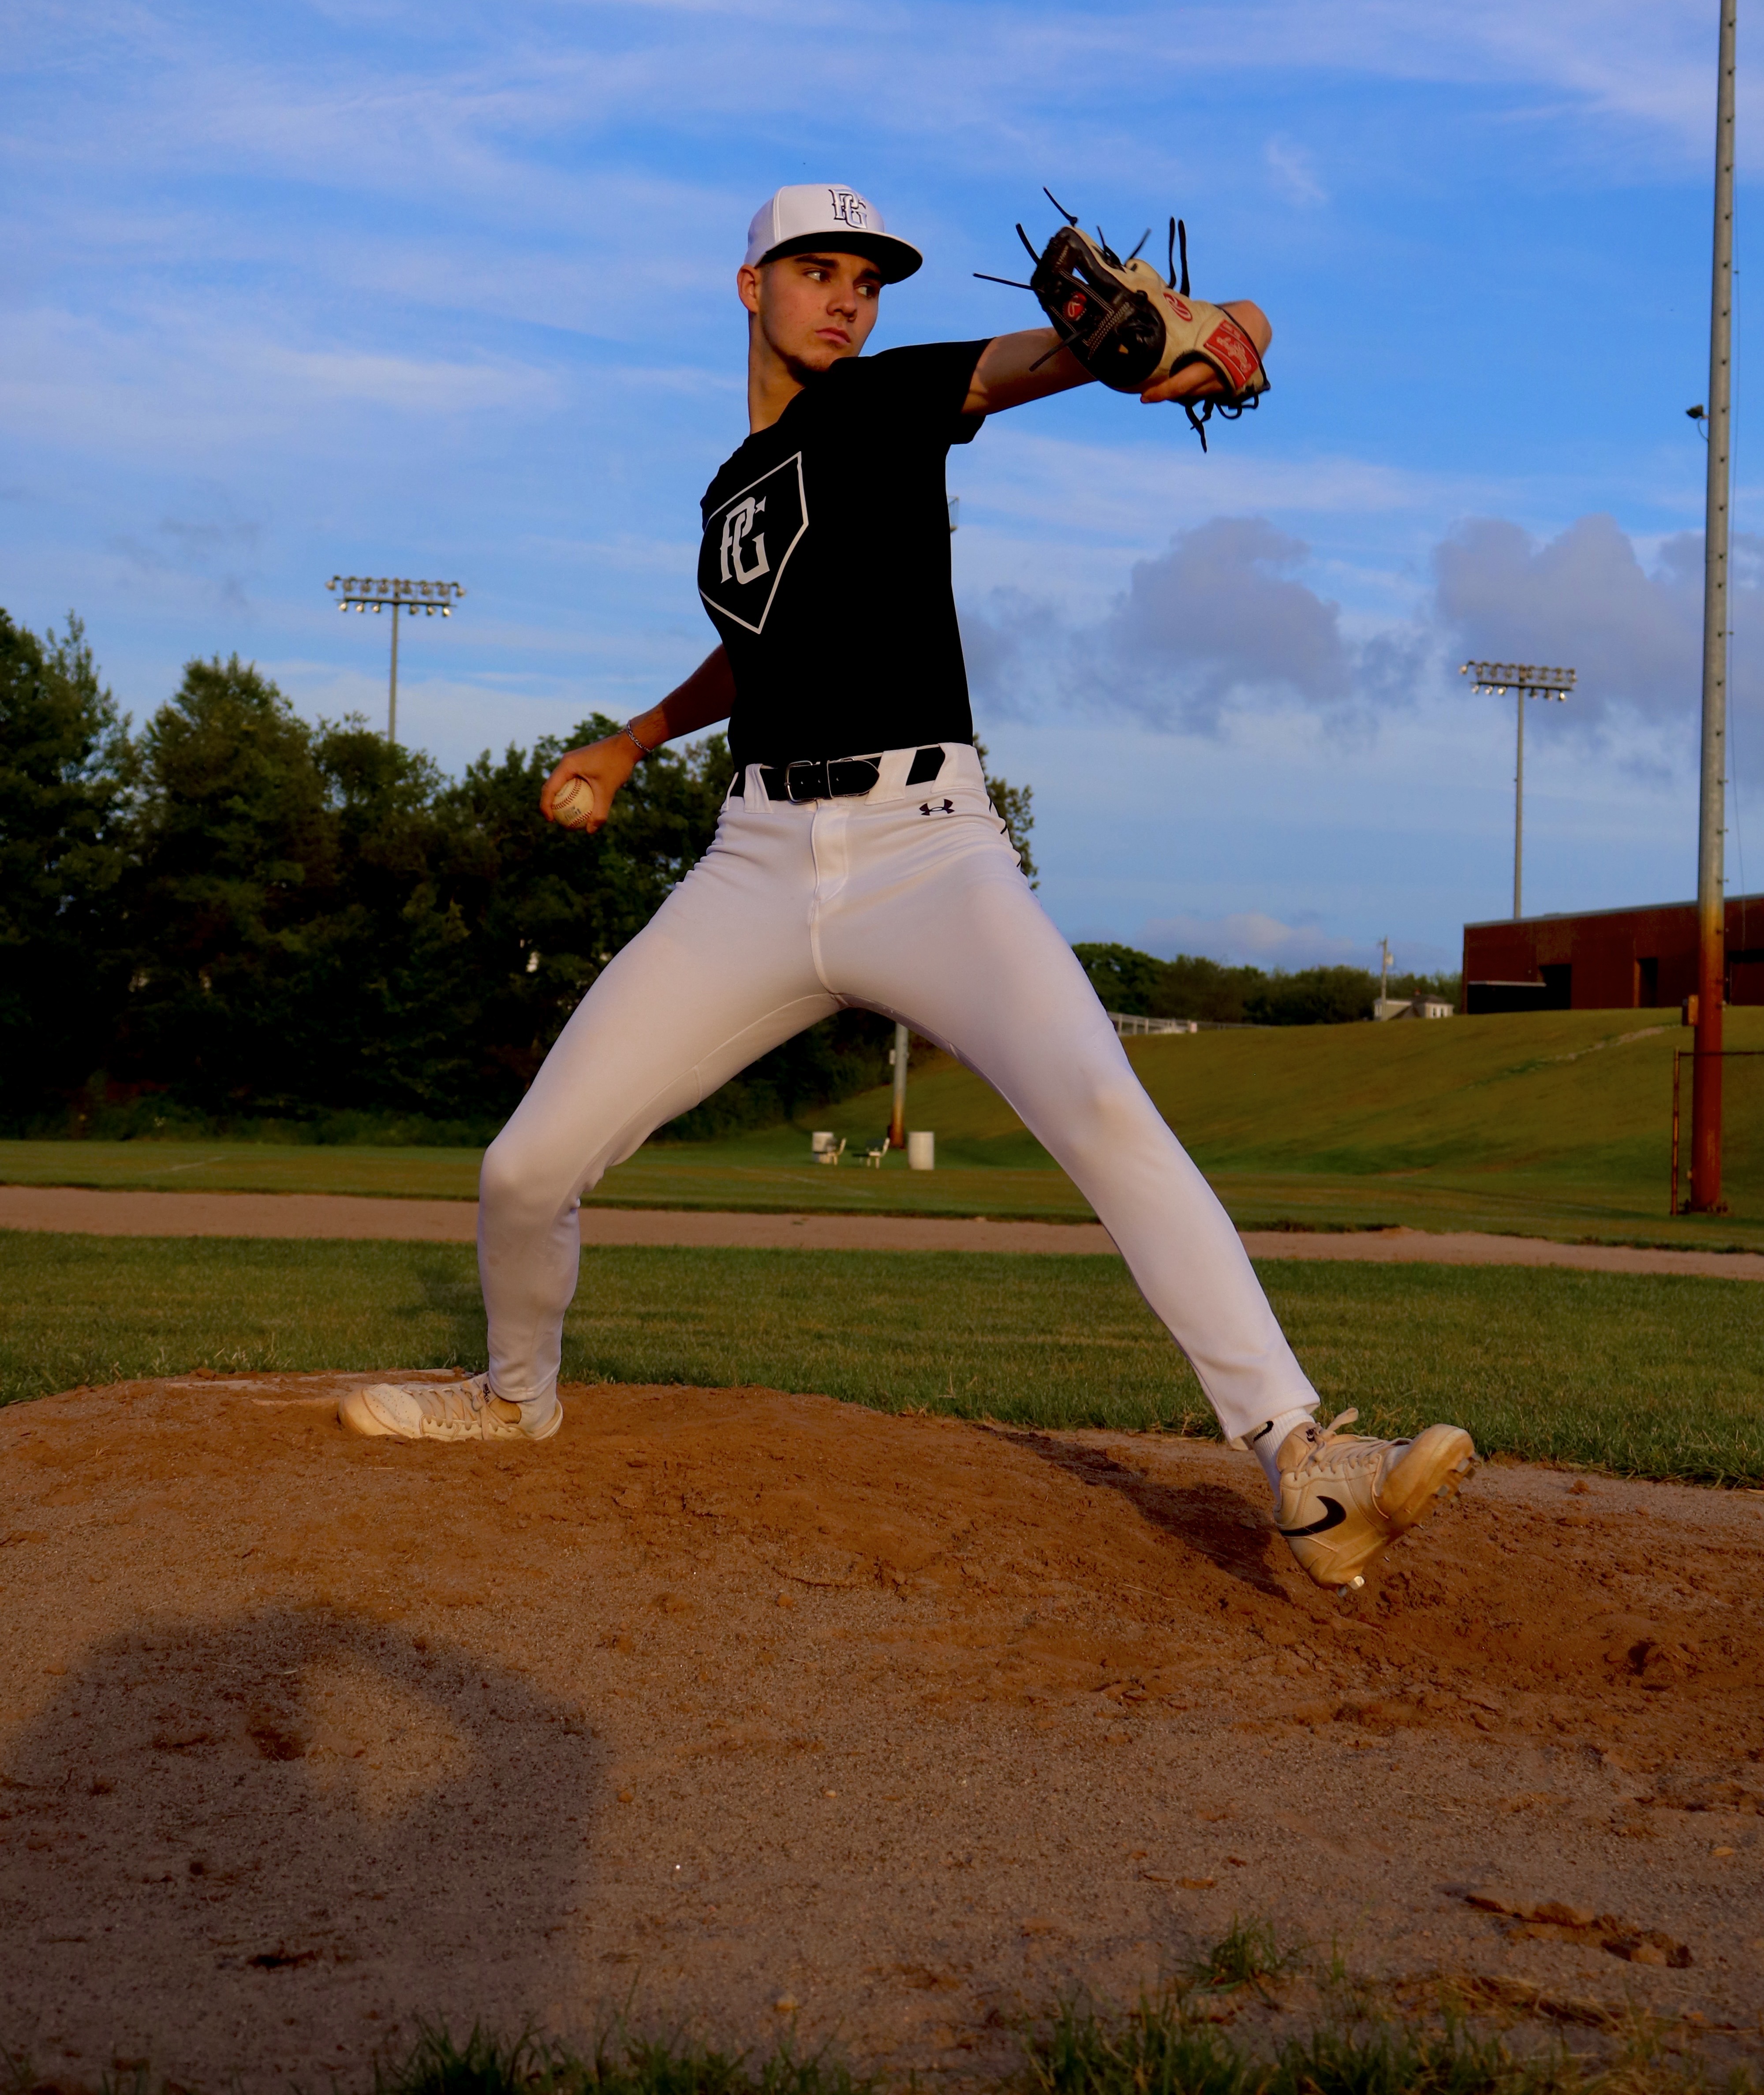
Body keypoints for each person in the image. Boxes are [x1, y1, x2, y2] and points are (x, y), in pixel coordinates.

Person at [342, 184, 1473, 1594]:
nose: (845, 298)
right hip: (756, 861)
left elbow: (1055, 359)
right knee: (524, 1167)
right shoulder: (733, 488)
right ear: (749, 285)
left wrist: (1216, 324)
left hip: (930, 850)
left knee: (1101, 1103)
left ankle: (1304, 1459)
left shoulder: (885, 401)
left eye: (866, 281)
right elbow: (763, 650)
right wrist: (634, 741)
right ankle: (515, 1399)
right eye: (816, 270)